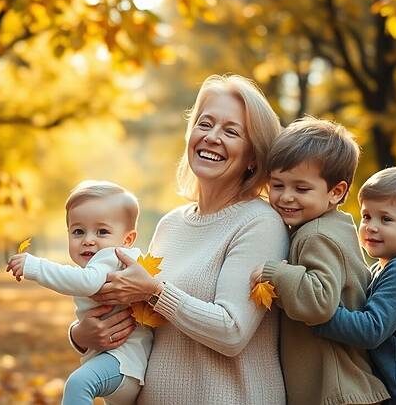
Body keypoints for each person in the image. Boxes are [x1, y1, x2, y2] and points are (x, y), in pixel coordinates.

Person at [69, 74, 289, 404]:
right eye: (205, 124)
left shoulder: (260, 223)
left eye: (231, 131)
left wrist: (155, 290)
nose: (212, 137)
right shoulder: (170, 225)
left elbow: (232, 332)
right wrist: (81, 336)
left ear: (254, 156)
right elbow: (141, 326)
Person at [250, 117, 390, 404]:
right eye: (277, 185)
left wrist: (275, 274)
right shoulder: (333, 225)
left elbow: (321, 302)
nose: (286, 197)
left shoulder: (316, 235)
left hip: (336, 391)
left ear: (336, 192)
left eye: (301, 189)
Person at [6, 180, 152, 405]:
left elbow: (87, 283)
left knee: (78, 383)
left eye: (102, 231)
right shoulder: (105, 262)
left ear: (127, 239)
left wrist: (34, 267)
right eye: (78, 231)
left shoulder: (112, 256)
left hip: (123, 361)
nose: (88, 240)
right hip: (112, 361)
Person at [313, 166, 396, 405]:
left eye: (386, 219)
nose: (371, 226)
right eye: (366, 216)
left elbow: (371, 329)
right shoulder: (383, 268)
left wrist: (316, 313)